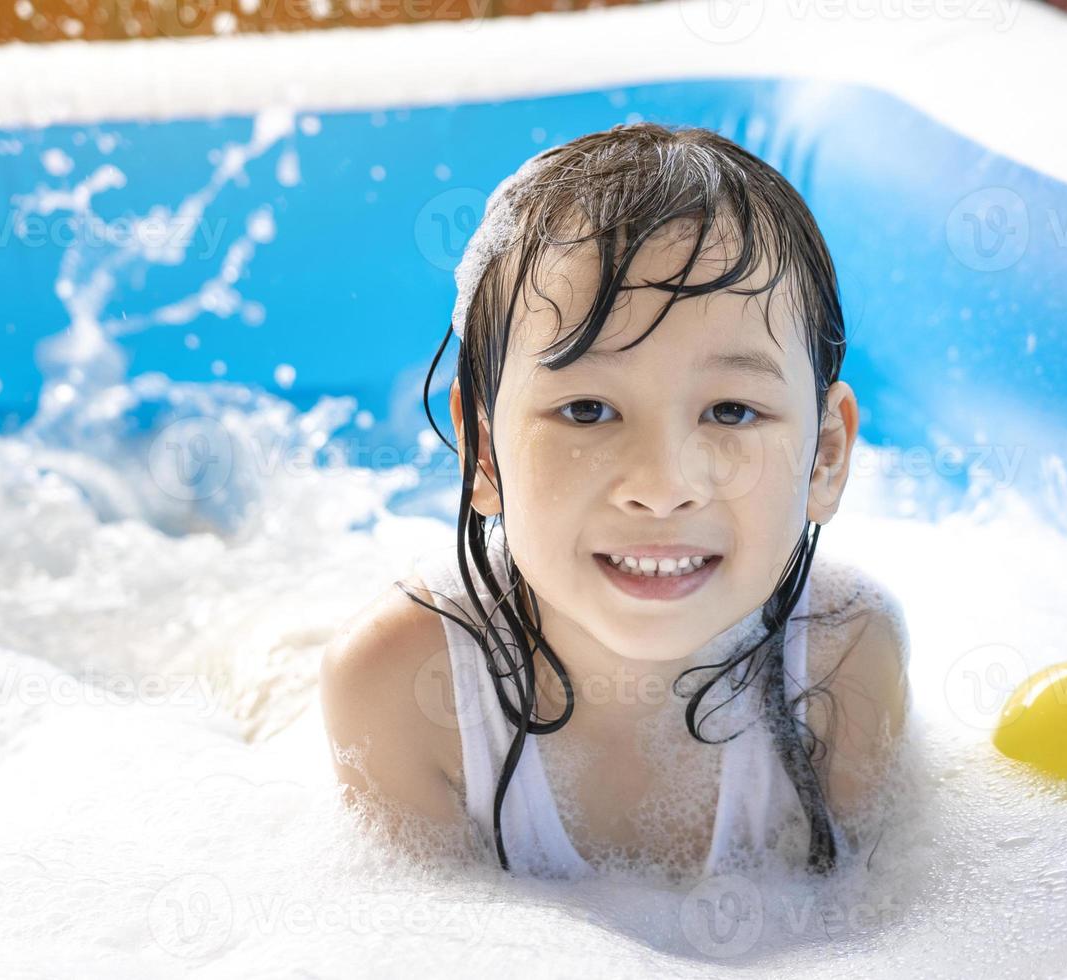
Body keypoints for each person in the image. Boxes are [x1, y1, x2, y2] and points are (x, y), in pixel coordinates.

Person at [320, 122, 909, 882]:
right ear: (486, 452)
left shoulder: (842, 661)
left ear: (825, 455)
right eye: (589, 410)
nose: (663, 486)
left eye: (730, 411)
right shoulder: (400, 687)